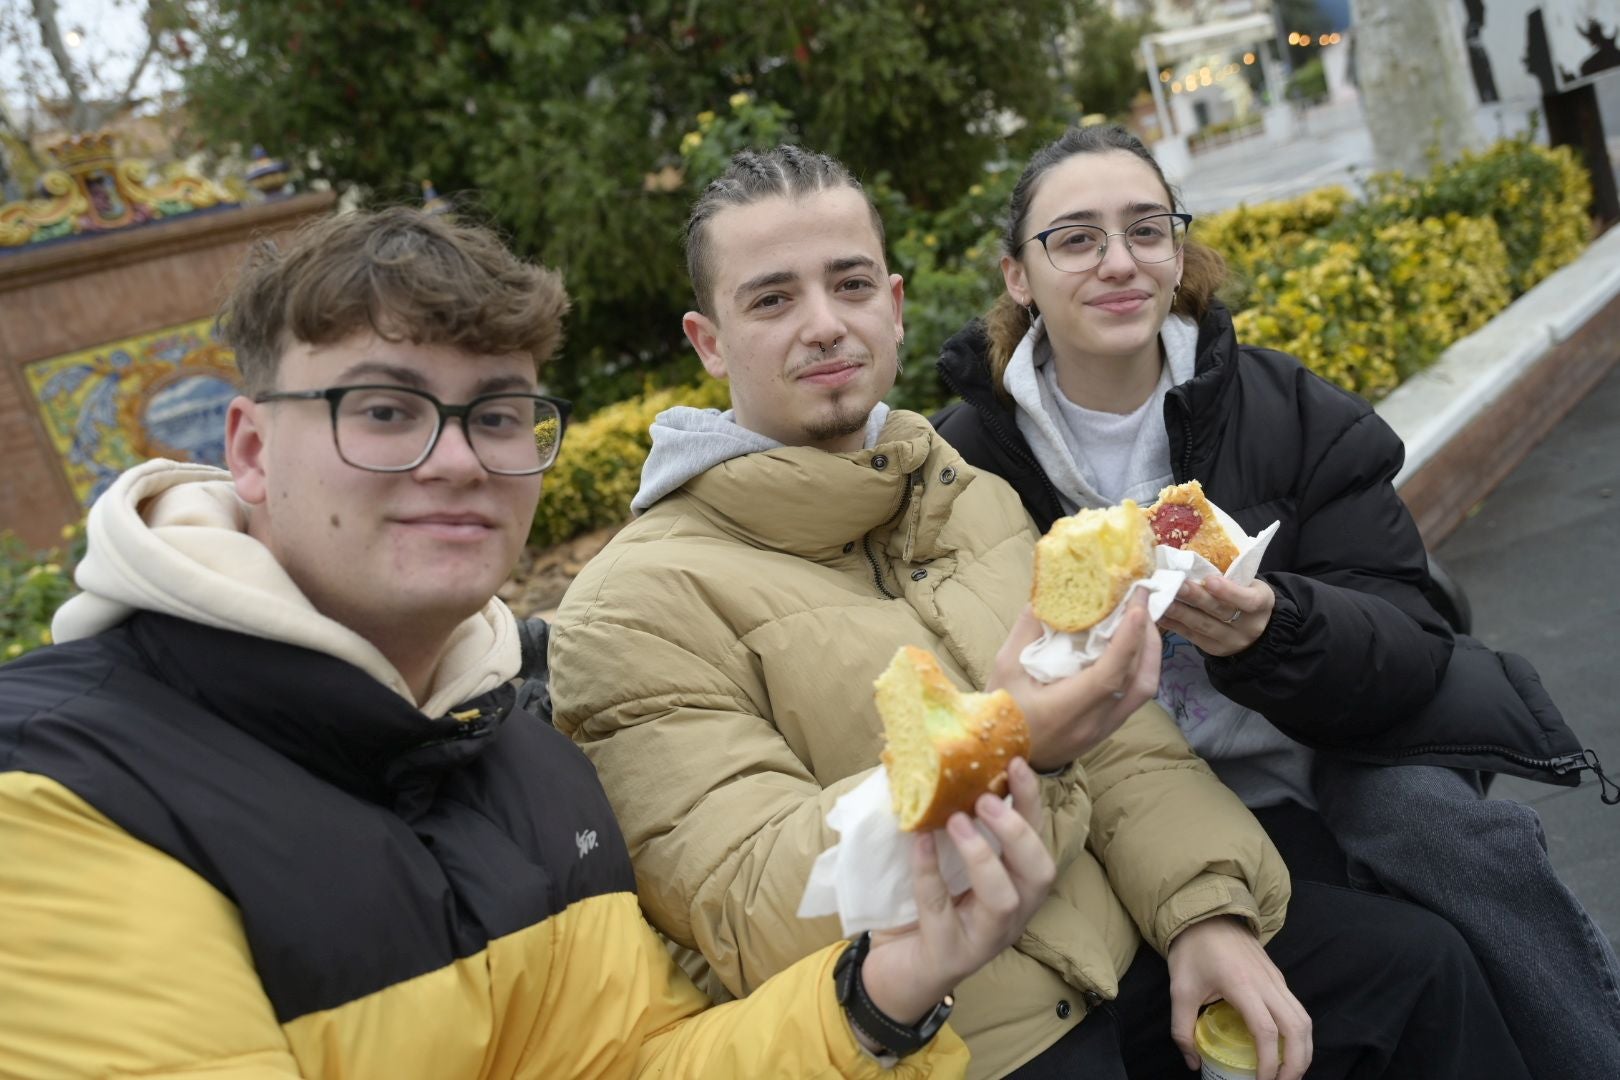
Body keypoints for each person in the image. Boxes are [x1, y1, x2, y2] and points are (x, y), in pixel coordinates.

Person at [0, 206, 1060, 1079]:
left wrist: (877, 995)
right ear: (248, 448)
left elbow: (634, 1062)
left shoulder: (526, 760)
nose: (459, 460)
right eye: (383, 409)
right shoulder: (68, 800)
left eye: (500, 416)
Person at [548, 144, 1534, 1080]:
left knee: (1418, 974)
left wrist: (1206, 916)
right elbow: (760, 909)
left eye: (851, 285)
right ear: (708, 343)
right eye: (772, 299)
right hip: (965, 1031)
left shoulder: (968, 493)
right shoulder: (632, 608)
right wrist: (1008, 740)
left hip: (1120, 945)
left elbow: (1125, 745)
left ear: (893, 307)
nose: (824, 324)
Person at [932, 123, 1620, 1080]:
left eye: (1146, 230)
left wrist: (1278, 626)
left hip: (1318, 749)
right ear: (1019, 275)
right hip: (1105, 806)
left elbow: (1411, 631)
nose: (1118, 262)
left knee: (1451, 839)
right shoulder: (965, 462)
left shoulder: (1284, 406)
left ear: (1179, 250)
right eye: (1076, 239)